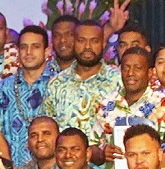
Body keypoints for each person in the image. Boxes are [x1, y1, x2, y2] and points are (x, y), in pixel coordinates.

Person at [44, 19, 122, 147]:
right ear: (74, 42)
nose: (87, 47)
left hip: (107, 165)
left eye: (94, 41)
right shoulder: (56, 84)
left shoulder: (118, 82)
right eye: (81, 41)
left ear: (103, 44)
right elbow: (47, 127)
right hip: (66, 163)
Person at [95, 47, 165, 167]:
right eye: (126, 68)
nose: (130, 73)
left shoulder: (162, 103)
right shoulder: (107, 103)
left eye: (137, 68)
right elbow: (92, 146)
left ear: (150, 72)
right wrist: (102, 153)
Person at [0, 26, 53, 167]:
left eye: (35, 47)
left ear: (47, 51)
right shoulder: (4, 87)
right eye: (24, 47)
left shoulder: (58, 85)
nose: (28, 52)